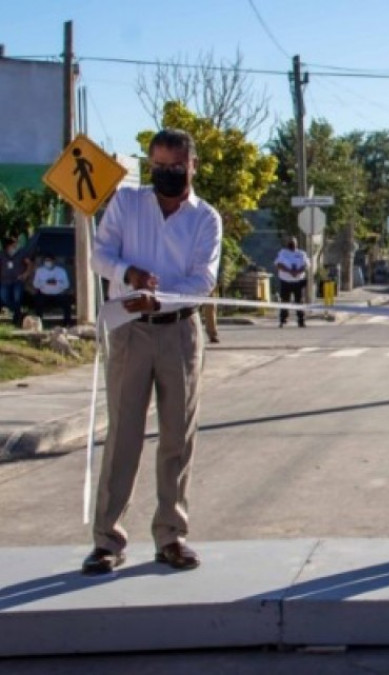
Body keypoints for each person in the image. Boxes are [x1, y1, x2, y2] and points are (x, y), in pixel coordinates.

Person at [86, 128, 222, 575]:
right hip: (129, 329)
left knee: (176, 437)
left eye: (175, 168)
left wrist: (161, 299)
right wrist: (130, 275)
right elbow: (99, 255)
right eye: (158, 167)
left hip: (180, 332)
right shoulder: (126, 204)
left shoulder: (206, 218)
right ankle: (108, 540)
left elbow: (203, 281)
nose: (165, 175)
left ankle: (171, 535)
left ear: (192, 165)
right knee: (123, 435)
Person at [275, 236, 308, 328]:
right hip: (285, 281)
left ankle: (301, 321)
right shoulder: (283, 253)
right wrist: (289, 271)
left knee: (299, 301)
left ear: (296, 243)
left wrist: (297, 271)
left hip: (298, 281)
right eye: (290, 242)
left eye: (293, 242)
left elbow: (305, 265)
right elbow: (278, 264)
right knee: (285, 300)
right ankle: (283, 319)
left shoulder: (301, 254)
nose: (291, 243)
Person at [32, 254, 72, 326]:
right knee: (37, 300)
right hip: (44, 295)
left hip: (58, 295)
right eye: (46, 260)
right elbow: (35, 284)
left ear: (54, 261)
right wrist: (45, 283)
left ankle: (67, 323)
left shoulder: (61, 271)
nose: (48, 262)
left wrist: (56, 283)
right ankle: (38, 323)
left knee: (67, 302)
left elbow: (66, 285)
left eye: (50, 260)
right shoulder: (39, 271)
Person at [1, 238, 31, 327]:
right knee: (4, 298)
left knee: (17, 299)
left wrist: (25, 274)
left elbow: (29, 264)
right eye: (13, 245)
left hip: (18, 280)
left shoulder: (21, 253)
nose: (15, 247)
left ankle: (16, 318)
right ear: (8, 246)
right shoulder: (2, 254)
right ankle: (19, 312)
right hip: (4, 280)